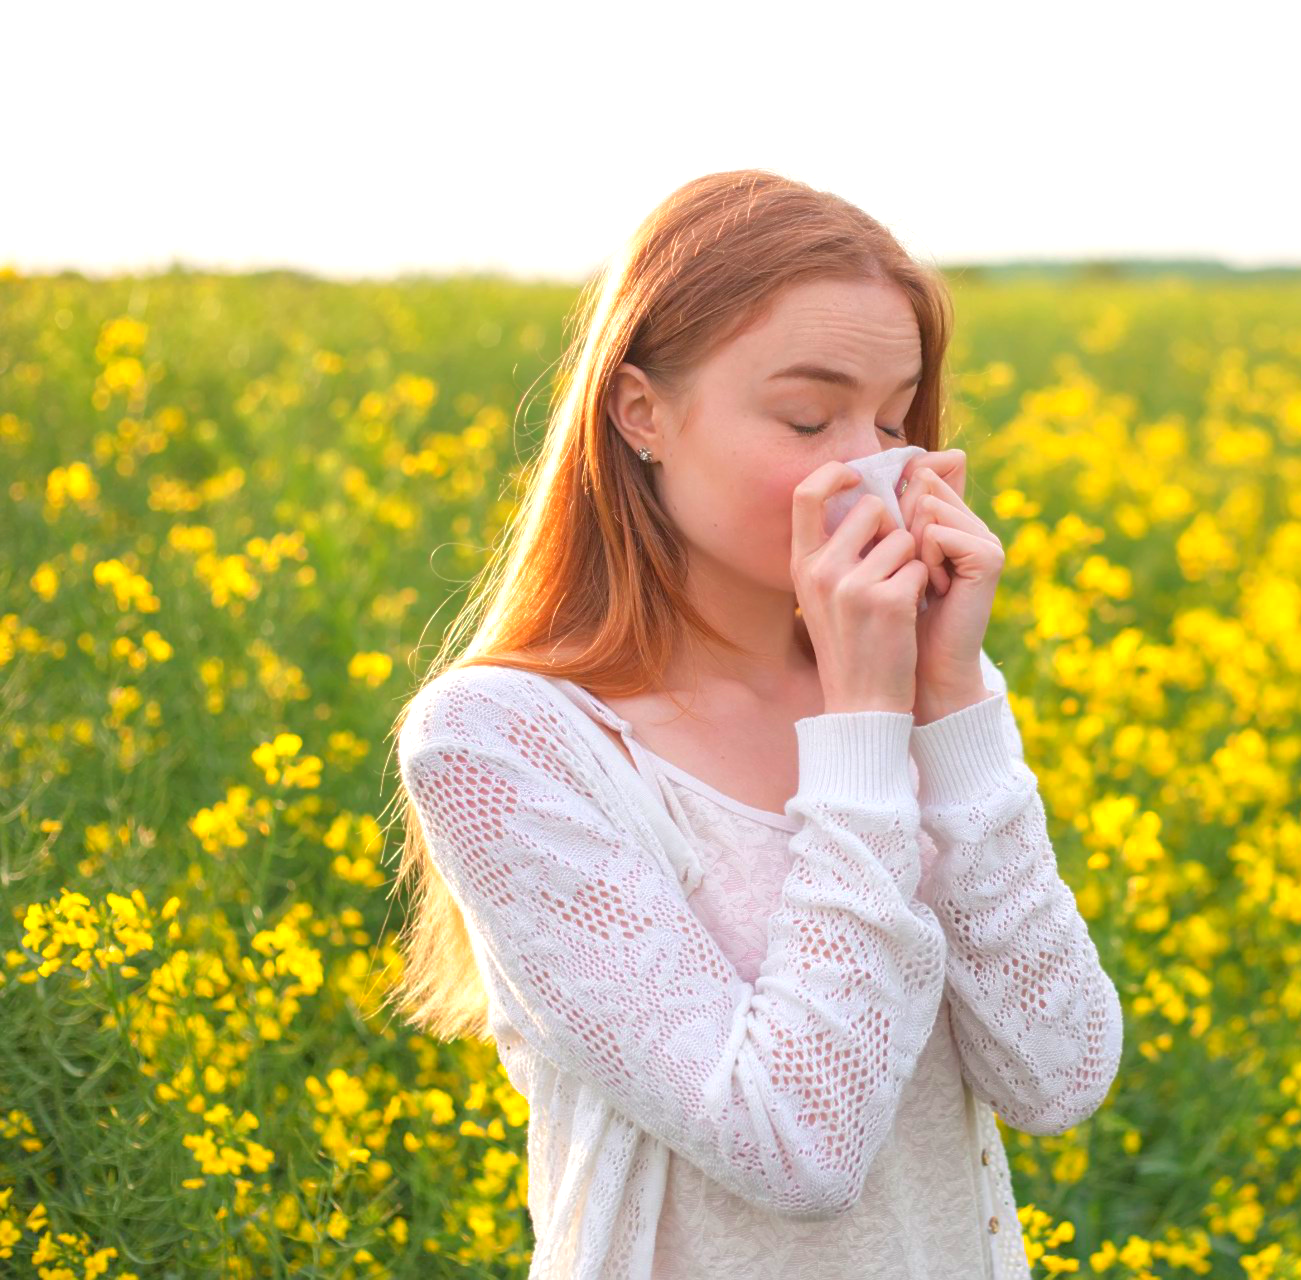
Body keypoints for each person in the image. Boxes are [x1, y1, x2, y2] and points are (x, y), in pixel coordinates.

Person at [386, 169, 1125, 1278]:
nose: (871, 463)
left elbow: (1058, 1074)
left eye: (893, 415)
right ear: (641, 411)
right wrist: (870, 725)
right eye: (806, 415)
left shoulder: (911, 692)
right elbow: (797, 1147)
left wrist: (951, 699)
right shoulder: (503, 741)